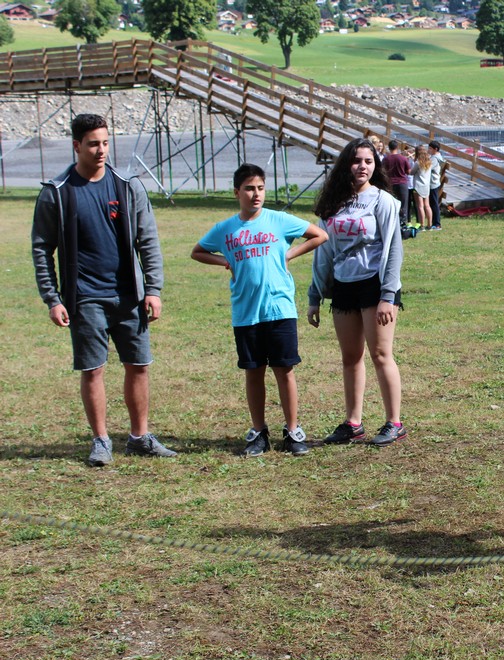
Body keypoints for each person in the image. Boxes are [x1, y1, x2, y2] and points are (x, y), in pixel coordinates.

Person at [31, 113, 177, 467]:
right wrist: (53, 299)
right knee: (93, 369)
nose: (101, 150)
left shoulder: (127, 186)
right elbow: (41, 248)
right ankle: (101, 441)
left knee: (138, 365)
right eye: (93, 143)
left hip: (129, 296)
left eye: (106, 143)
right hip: (86, 297)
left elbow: (148, 242)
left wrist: (153, 289)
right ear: (76, 145)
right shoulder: (57, 193)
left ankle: (140, 437)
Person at [191, 163, 327, 456]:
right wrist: (223, 261)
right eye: (250, 189)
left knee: (284, 370)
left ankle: (293, 431)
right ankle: (258, 432)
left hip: (279, 309)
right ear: (236, 192)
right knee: (253, 372)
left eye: (261, 188)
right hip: (246, 312)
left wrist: (288, 253)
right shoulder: (225, 229)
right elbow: (198, 251)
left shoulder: (278, 220)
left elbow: (319, 235)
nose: (256, 195)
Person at [308, 138, 407, 447]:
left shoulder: (383, 201)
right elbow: (324, 252)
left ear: (374, 165)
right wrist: (315, 295)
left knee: (380, 354)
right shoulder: (333, 204)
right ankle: (353, 423)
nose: (362, 166)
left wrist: (388, 295)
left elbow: (394, 251)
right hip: (343, 285)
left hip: (374, 286)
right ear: (345, 165)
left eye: (368, 161)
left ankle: (394, 422)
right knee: (350, 357)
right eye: (356, 160)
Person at [382, 139, 412, 229]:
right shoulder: (403, 158)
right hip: (402, 182)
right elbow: (409, 171)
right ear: (397, 147)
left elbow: (382, 171)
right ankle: (403, 223)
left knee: (391, 204)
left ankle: (392, 222)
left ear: (389, 147)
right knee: (403, 204)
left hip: (390, 183)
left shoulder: (386, 159)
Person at [411, 145, 432, 232]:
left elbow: (412, 172)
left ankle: (422, 225)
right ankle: (430, 225)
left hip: (418, 185)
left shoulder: (418, 162)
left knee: (420, 206)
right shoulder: (429, 162)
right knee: (427, 205)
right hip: (426, 185)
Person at [427, 140, 445, 230]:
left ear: (435, 149)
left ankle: (437, 224)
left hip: (433, 184)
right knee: (432, 203)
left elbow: (427, 168)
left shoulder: (434, 158)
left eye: (430, 148)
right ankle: (434, 222)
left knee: (434, 204)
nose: (428, 150)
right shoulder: (435, 157)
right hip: (435, 183)